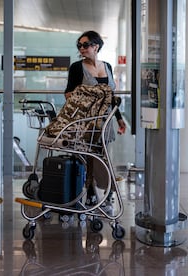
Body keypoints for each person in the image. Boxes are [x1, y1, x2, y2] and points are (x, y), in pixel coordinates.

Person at [65, 30, 126, 207]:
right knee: (89, 156)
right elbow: (69, 94)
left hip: (105, 120)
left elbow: (111, 96)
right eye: (79, 45)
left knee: (104, 155)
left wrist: (119, 119)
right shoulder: (77, 67)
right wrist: (88, 100)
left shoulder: (106, 66)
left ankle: (106, 191)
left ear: (96, 46)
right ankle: (91, 190)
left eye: (85, 45)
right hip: (86, 120)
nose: (82, 48)